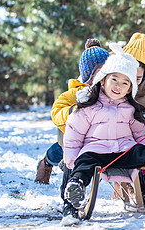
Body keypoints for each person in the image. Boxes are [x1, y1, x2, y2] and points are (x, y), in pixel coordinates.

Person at [62, 45, 145, 216]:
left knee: (142, 153)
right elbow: (74, 134)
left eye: (125, 83)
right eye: (114, 79)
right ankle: (77, 186)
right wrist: (72, 160)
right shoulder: (89, 106)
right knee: (85, 162)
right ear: (103, 80)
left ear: (130, 89)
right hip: (96, 151)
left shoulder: (131, 109)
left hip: (124, 151)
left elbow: (142, 134)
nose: (118, 86)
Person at [35, 38, 110, 185]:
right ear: (89, 74)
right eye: (100, 72)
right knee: (61, 151)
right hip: (71, 137)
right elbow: (56, 111)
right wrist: (72, 111)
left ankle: (125, 186)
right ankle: (46, 163)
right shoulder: (77, 93)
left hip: (98, 138)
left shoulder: (111, 91)